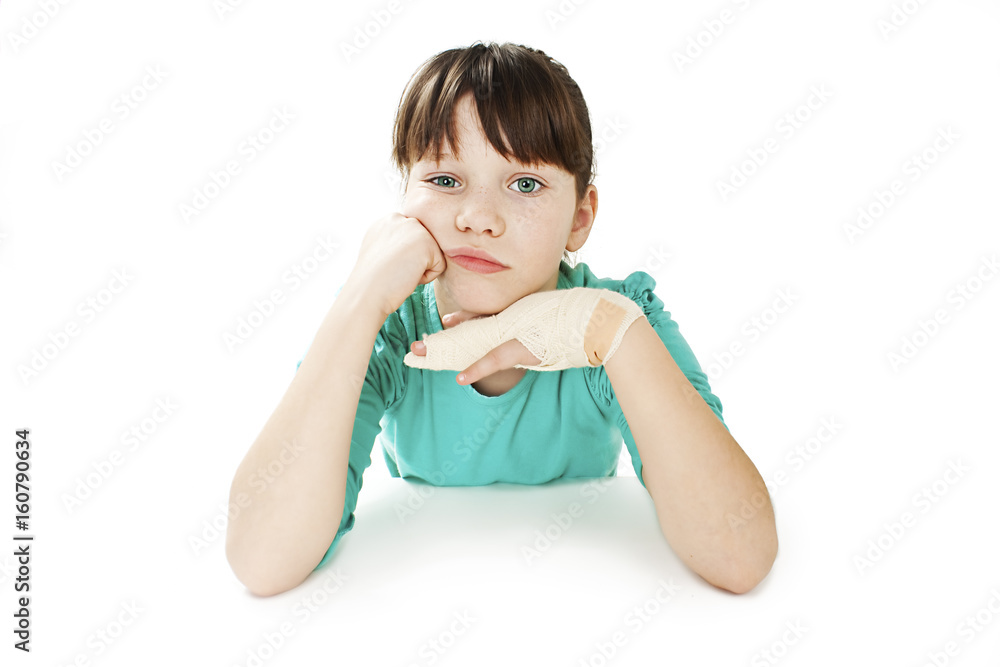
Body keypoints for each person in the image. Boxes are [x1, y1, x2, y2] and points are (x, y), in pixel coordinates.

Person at [226, 41, 777, 597]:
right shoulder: (387, 329)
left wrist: (610, 332)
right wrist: (360, 296)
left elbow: (740, 556)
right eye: (445, 180)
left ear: (580, 218)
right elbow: (261, 563)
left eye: (525, 184)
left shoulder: (618, 322)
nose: (478, 219)